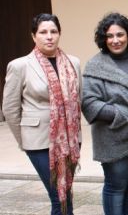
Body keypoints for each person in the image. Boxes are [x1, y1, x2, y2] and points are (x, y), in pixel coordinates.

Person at [2, 13, 81, 215]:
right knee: (58, 197)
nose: (49, 36)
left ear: (59, 34)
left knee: (66, 194)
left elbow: (79, 98)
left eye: (53, 31)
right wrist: (25, 140)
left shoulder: (73, 63)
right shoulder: (20, 65)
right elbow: (10, 108)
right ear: (33, 36)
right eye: (43, 32)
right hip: (38, 141)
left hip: (69, 141)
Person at [81, 12, 128, 215]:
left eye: (120, 34)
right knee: (116, 187)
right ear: (103, 39)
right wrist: (119, 115)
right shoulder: (96, 65)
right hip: (114, 137)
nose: (115, 40)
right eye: (110, 36)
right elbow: (89, 102)